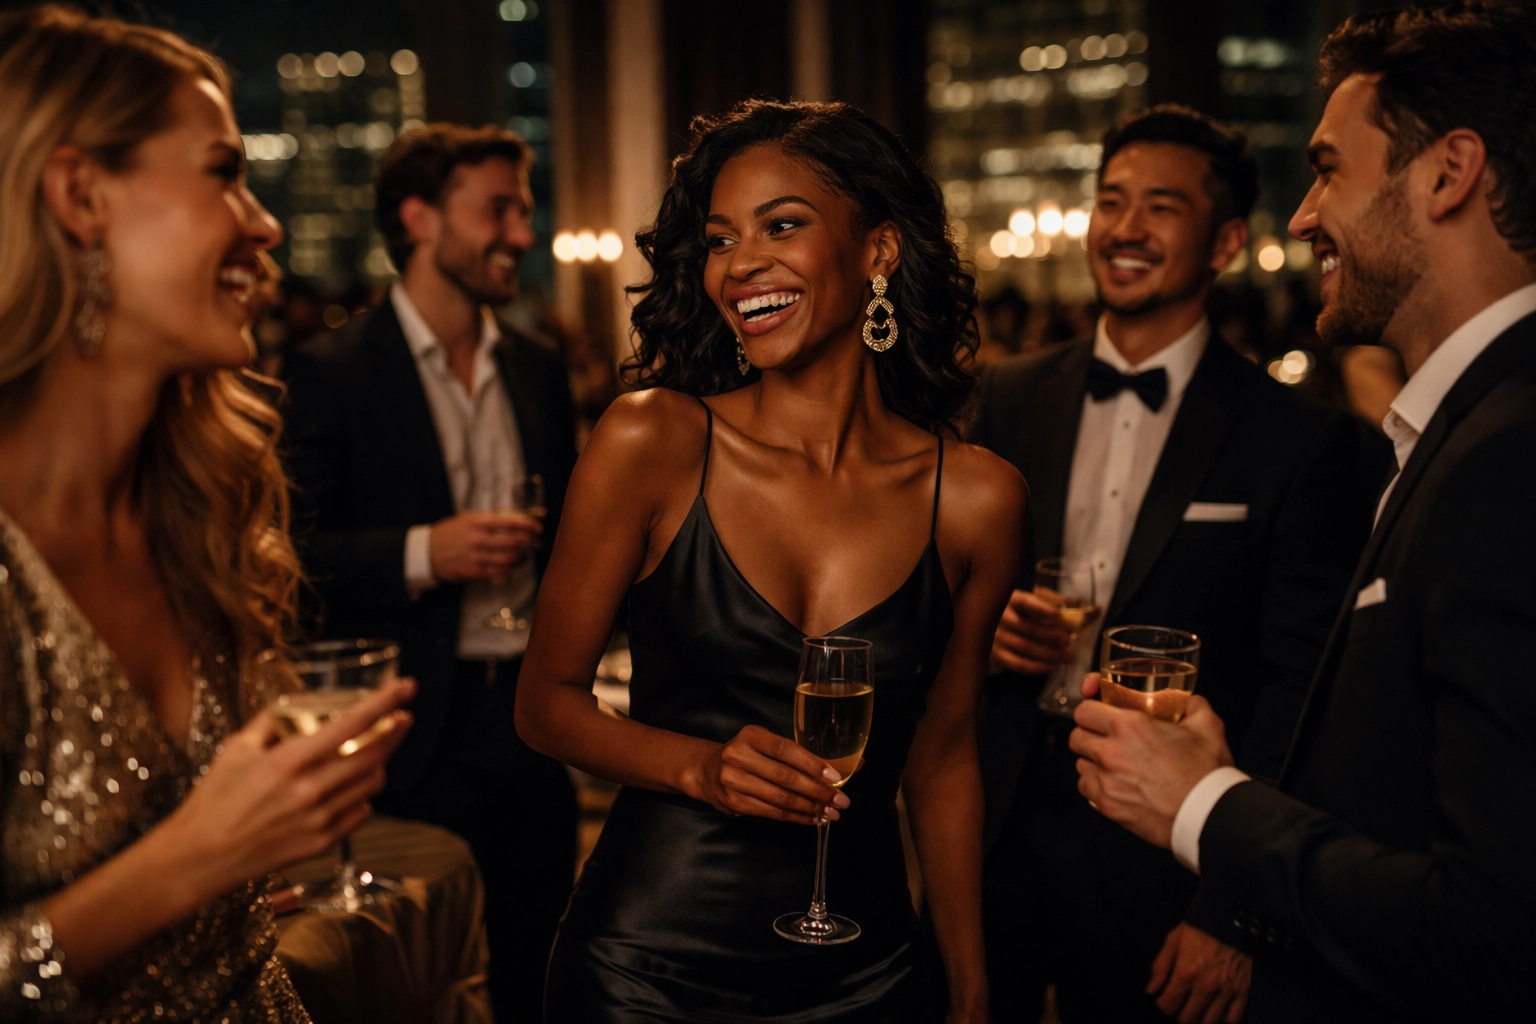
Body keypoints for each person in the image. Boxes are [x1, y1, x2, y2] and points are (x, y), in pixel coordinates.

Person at [1071, 6, 1536, 1022]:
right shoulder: (1464, 430)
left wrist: (1205, 805)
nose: (1304, 216)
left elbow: (1495, 928)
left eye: (1328, 170)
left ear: (1450, 174)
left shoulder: (1508, 457)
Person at [516, 99, 1024, 1023]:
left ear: (878, 251)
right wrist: (700, 768)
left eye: (781, 225)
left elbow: (944, 760)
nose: (740, 263)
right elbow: (544, 704)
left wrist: (972, 988)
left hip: (870, 975)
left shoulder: (977, 499)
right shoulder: (653, 441)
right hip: (645, 970)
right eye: (720, 240)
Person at [0, 7, 414, 1019]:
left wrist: (249, 856)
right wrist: (197, 856)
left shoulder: (197, 504)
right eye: (224, 171)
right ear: (79, 195)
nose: (264, 225)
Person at [969, 105, 1388, 1024]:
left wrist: (1233, 905)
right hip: (997, 820)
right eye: (1111, 201)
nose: (1124, 229)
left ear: (1226, 241)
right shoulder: (1005, 395)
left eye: (1159, 207)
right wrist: (987, 631)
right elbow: (943, 595)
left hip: (1164, 850)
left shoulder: (1298, 439)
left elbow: (1299, 694)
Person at [281, 122, 578, 1022]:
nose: (521, 234)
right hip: (413, 732)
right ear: (419, 218)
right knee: (414, 981)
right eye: (499, 211)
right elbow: (288, 557)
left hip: (531, 717)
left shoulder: (535, 365)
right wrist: (424, 551)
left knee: (540, 963)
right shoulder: (330, 370)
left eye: (524, 212)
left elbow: (570, 538)